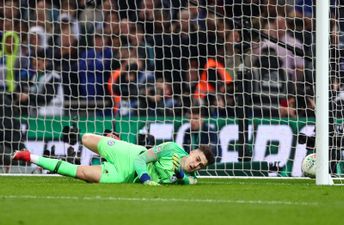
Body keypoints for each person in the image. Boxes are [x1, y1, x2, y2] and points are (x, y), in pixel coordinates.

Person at [12, 133, 215, 185]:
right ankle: (113, 140)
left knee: (83, 173)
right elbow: (141, 160)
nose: (195, 164)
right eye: (197, 158)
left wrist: (180, 176)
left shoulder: (192, 178)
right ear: (192, 151)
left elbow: (186, 180)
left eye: (200, 165)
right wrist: (146, 179)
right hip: (130, 154)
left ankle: (30, 156)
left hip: (123, 175)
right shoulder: (171, 148)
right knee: (85, 139)